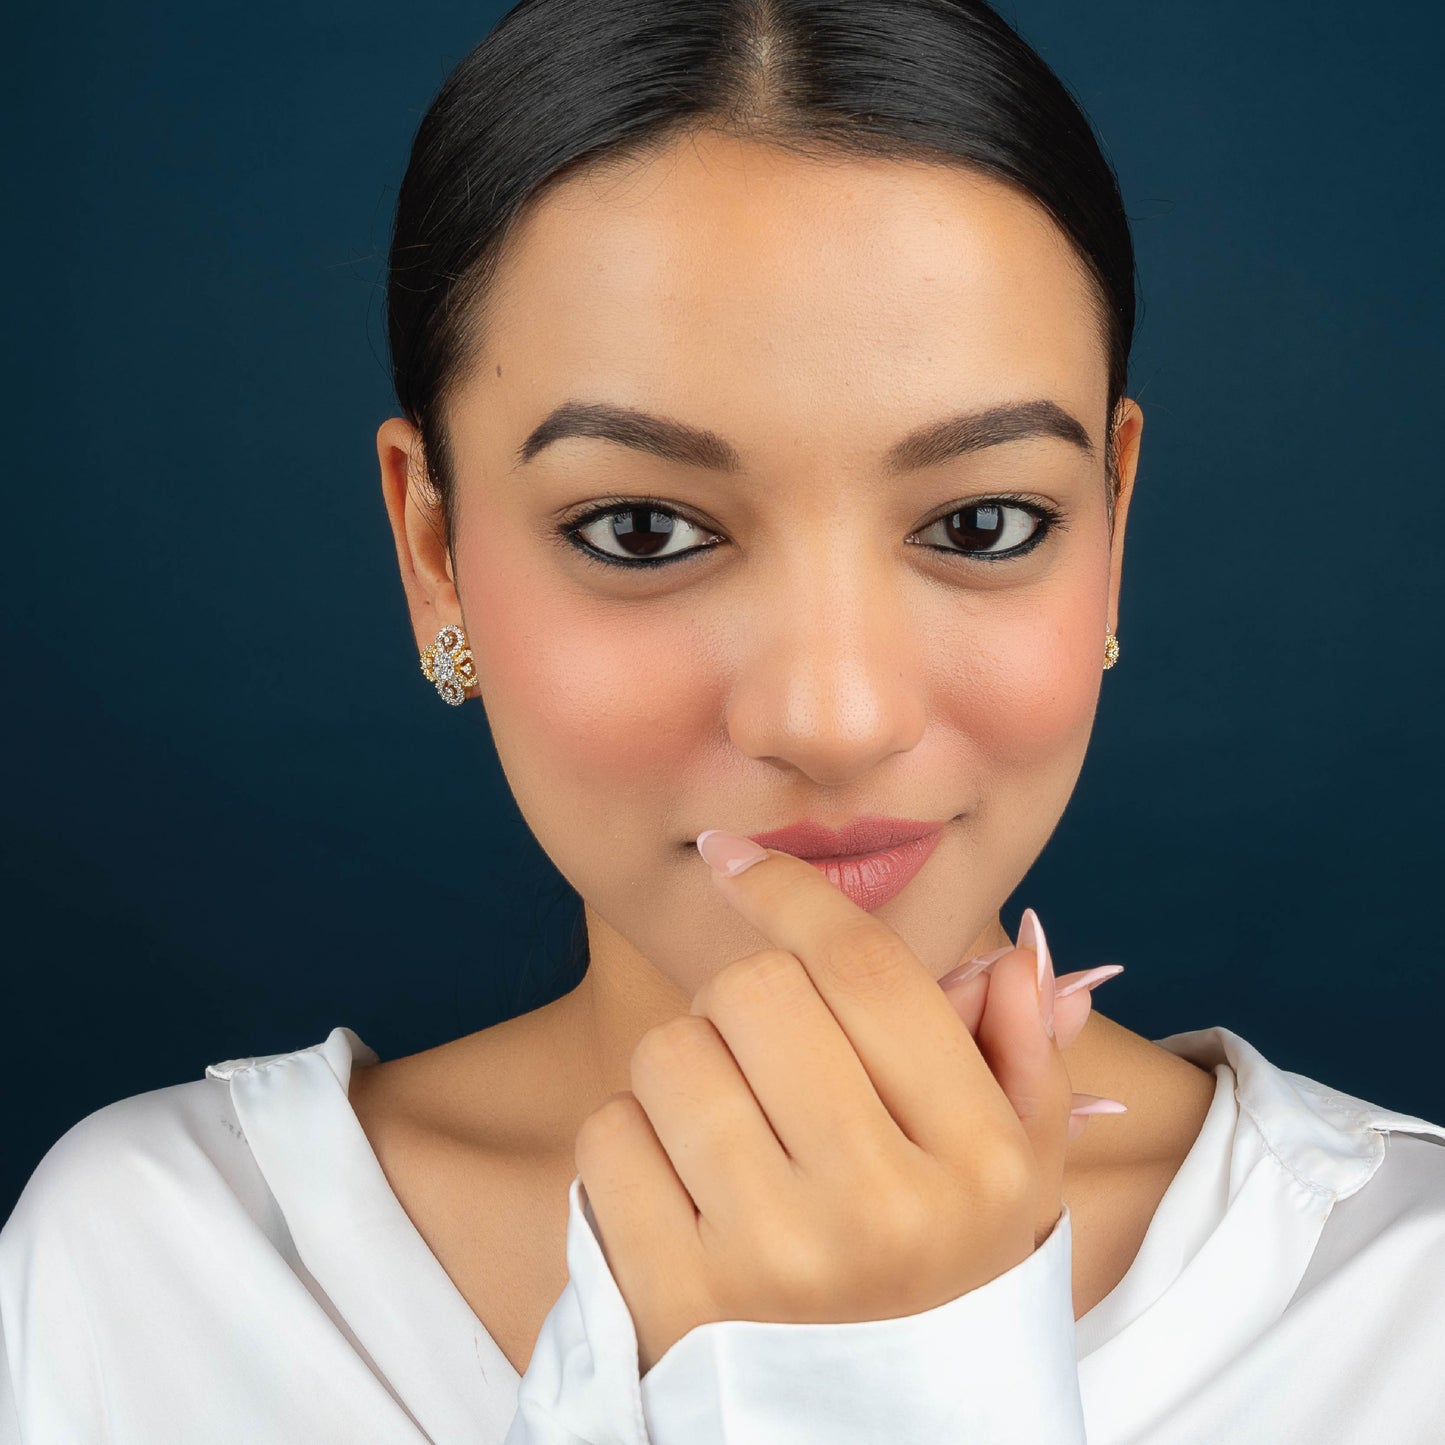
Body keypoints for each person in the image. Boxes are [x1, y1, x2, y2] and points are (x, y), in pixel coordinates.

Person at [4, 1, 1443, 1440]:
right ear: (431, 547)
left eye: (983, 521)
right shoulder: (159, 1267)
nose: (834, 715)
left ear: (1113, 522)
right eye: (641, 529)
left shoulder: (1402, 1295)